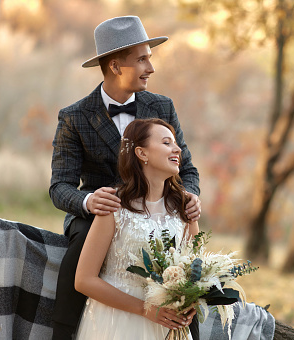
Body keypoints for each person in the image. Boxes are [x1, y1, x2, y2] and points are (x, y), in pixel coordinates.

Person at [49, 16, 201, 339]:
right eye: (142, 59)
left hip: (157, 205)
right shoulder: (74, 117)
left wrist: (190, 196)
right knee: (79, 253)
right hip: (100, 214)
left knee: (183, 271)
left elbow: (185, 166)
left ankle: (189, 330)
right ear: (116, 66)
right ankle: (62, 332)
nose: (151, 67)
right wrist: (89, 200)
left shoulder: (162, 106)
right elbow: (59, 186)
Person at [74, 118, 199, 339]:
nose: (177, 149)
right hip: (116, 323)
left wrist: (190, 304)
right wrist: (144, 309)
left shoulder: (184, 207)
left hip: (167, 325)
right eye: (166, 142)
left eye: (175, 143)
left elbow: (195, 272)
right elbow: (84, 279)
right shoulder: (114, 205)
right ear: (142, 153)